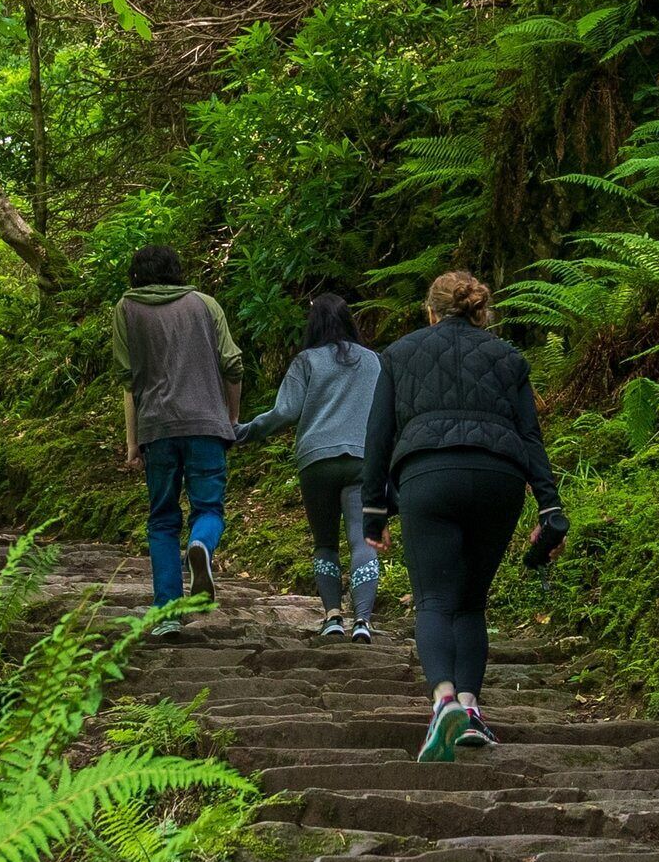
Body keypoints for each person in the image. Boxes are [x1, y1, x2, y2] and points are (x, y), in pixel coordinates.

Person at [362, 269, 566, 759]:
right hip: (498, 479)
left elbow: (378, 437)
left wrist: (374, 510)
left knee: (434, 598)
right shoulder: (508, 357)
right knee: (471, 602)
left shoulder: (400, 354)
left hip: (428, 477)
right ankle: (472, 711)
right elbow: (531, 436)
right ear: (480, 311)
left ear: (430, 312)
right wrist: (550, 504)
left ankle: (445, 701)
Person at [236, 284, 384, 639]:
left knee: (325, 543)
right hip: (362, 459)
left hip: (316, 462)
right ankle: (363, 621)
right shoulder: (373, 361)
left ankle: (333, 616)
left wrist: (244, 432)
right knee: (361, 541)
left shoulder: (306, 361)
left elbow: (285, 411)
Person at [109, 242, 242, 610]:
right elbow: (233, 364)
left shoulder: (126, 308)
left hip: (157, 428)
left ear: (136, 275)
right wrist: (230, 417)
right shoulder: (205, 304)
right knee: (210, 509)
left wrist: (132, 443)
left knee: (163, 520)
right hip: (207, 425)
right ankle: (200, 544)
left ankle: (167, 609)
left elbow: (129, 381)